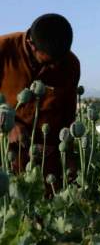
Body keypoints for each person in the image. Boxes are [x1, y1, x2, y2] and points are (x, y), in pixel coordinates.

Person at [0, 13, 80, 183]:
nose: (56, 66)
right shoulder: (4, 49)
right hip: (4, 147)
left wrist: (68, 154)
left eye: (61, 59)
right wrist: (9, 125)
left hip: (45, 152)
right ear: (31, 44)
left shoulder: (70, 64)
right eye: (50, 62)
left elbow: (68, 114)